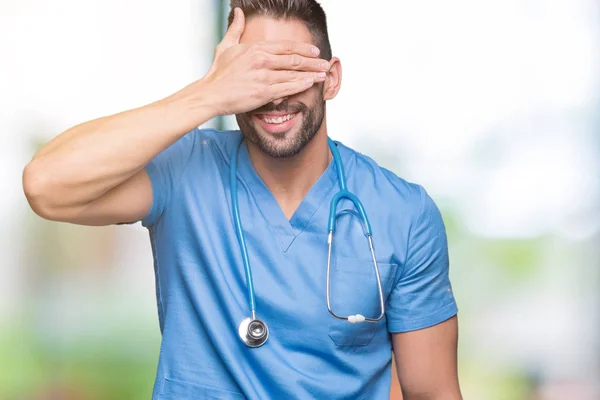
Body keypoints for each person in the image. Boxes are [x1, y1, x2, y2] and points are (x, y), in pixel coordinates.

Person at [22, 0, 462, 398]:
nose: (274, 94)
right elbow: (46, 185)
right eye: (255, 73)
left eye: (290, 70)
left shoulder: (402, 212)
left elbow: (432, 391)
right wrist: (209, 93)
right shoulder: (185, 170)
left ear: (330, 79)